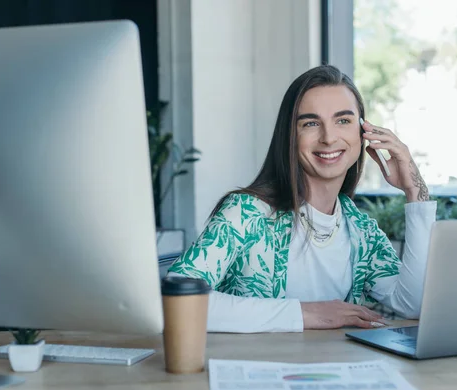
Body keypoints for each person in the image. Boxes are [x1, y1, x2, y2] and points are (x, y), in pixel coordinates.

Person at [168, 65, 437, 333]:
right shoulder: (246, 212)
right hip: (259, 370)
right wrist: (304, 313)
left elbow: (412, 304)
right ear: (291, 136)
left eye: (343, 120)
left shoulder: (362, 232)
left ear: (363, 133)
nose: (329, 138)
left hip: (340, 371)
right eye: (310, 123)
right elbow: (178, 302)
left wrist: (415, 192)